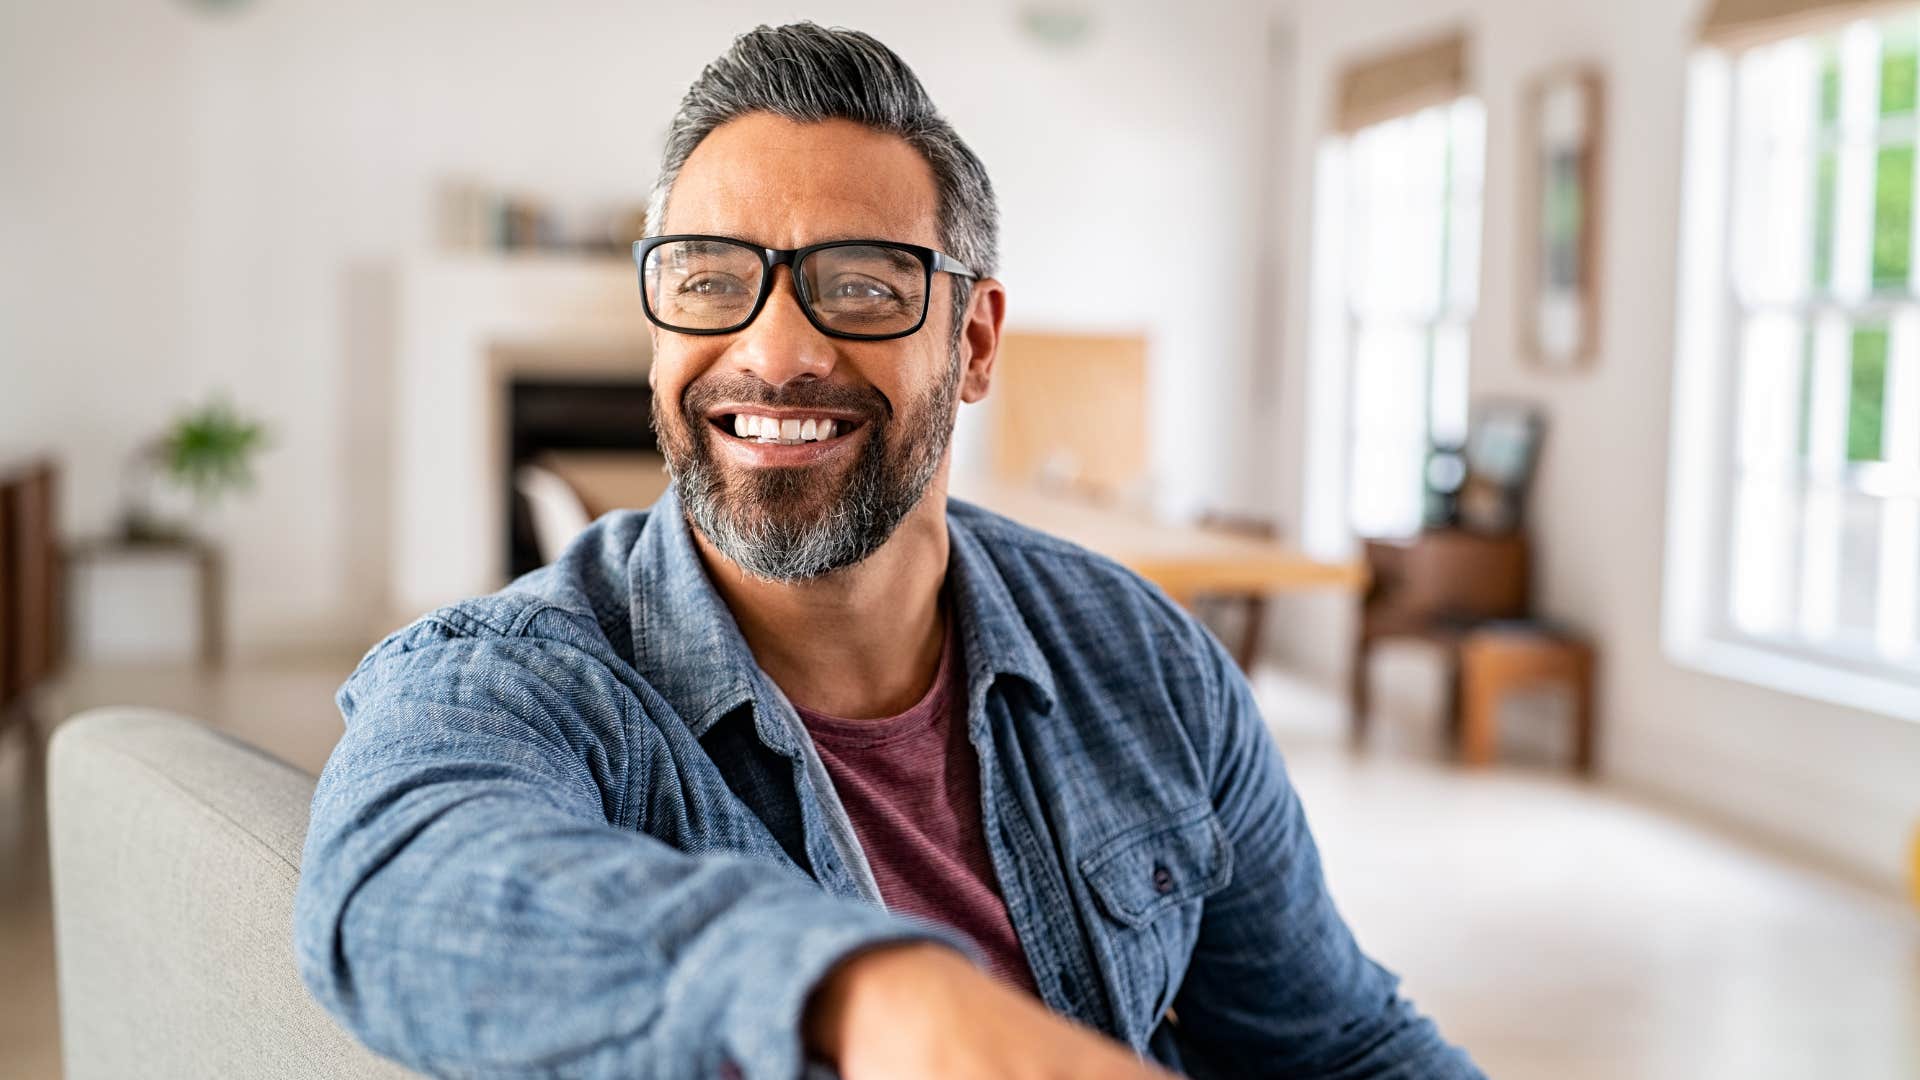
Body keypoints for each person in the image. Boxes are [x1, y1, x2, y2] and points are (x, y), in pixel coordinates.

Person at [294, 22, 1484, 1080]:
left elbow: (1340, 1045)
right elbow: (399, 887)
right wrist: (870, 996)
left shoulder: (1147, 662)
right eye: (709, 280)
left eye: (862, 287)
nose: (775, 353)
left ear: (975, 343)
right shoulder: (521, 677)